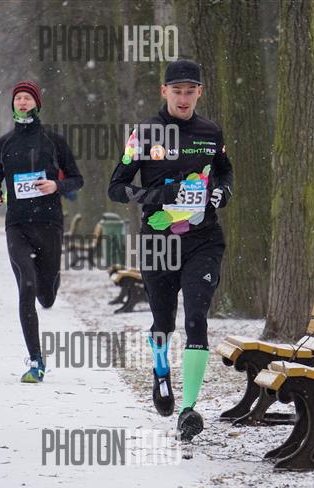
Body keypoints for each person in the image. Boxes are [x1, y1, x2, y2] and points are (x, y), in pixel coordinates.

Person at [107, 60, 233, 442]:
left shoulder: (210, 132)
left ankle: (188, 410)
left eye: (190, 91)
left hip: (203, 239)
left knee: (196, 318)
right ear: (164, 92)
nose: (183, 98)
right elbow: (117, 188)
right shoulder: (145, 134)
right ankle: (161, 372)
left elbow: (224, 170)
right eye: (176, 91)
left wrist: (222, 191)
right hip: (158, 242)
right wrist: (160, 195)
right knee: (163, 322)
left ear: (200, 92)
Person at [0, 80, 83, 383]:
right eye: (19, 98)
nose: (23, 102)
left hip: (49, 223)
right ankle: (36, 360)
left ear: (37, 104)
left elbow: (76, 179)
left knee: (46, 296)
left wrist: (56, 185)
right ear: (13, 104)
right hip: (17, 225)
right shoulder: (2, 144)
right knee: (26, 286)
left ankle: (51, 282)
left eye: (28, 98)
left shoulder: (53, 141)